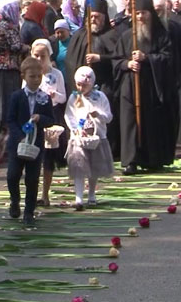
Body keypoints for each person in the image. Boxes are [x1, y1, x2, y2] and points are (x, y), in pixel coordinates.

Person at [114, 0, 181, 174]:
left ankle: (153, 159)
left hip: (153, 86)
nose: (140, 17)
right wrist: (127, 64)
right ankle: (131, 161)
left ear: (151, 14)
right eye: (137, 13)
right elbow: (116, 60)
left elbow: (168, 58)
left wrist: (147, 58)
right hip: (130, 85)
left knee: (152, 123)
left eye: (144, 13)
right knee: (130, 123)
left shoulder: (161, 35)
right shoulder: (127, 36)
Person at [64, 0, 121, 156]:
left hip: (105, 84)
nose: (94, 20)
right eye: (92, 17)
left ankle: (108, 148)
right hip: (82, 88)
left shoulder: (112, 35)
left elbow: (119, 58)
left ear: (104, 18)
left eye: (98, 17)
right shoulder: (79, 36)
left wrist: (100, 58)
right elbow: (70, 61)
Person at [6, 57, 54, 226]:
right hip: (17, 145)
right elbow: (10, 119)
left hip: (36, 145)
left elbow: (51, 120)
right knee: (13, 175)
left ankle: (29, 211)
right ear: (23, 76)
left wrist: (41, 118)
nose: (35, 80)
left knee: (32, 178)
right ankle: (14, 201)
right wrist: (19, 136)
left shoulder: (45, 98)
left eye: (38, 76)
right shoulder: (16, 96)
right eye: (32, 76)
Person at [64, 66, 114, 210]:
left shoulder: (100, 97)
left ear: (91, 83)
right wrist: (75, 129)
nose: (81, 88)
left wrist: (98, 114)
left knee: (94, 167)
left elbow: (109, 117)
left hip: (97, 137)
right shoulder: (74, 97)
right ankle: (78, 197)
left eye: (84, 85)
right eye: (78, 84)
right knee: (79, 166)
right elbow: (69, 115)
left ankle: (91, 194)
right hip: (79, 138)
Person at [26, 39, 66, 206]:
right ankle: (32, 193)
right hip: (34, 115)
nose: (40, 59)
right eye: (36, 55)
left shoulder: (56, 74)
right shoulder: (29, 72)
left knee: (48, 157)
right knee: (33, 156)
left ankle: (45, 194)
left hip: (52, 115)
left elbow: (63, 96)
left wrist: (54, 95)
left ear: (49, 56)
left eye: (43, 56)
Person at [0, 1, 28, 129]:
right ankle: (8, 124)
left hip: (0, 64)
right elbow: (15, 46)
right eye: (18, 11)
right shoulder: (8, 26)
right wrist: (25, 47)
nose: (19, 14)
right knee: (9, 95)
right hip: (9, 65)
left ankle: (4, 122)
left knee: (2, 96)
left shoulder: (0, 24)